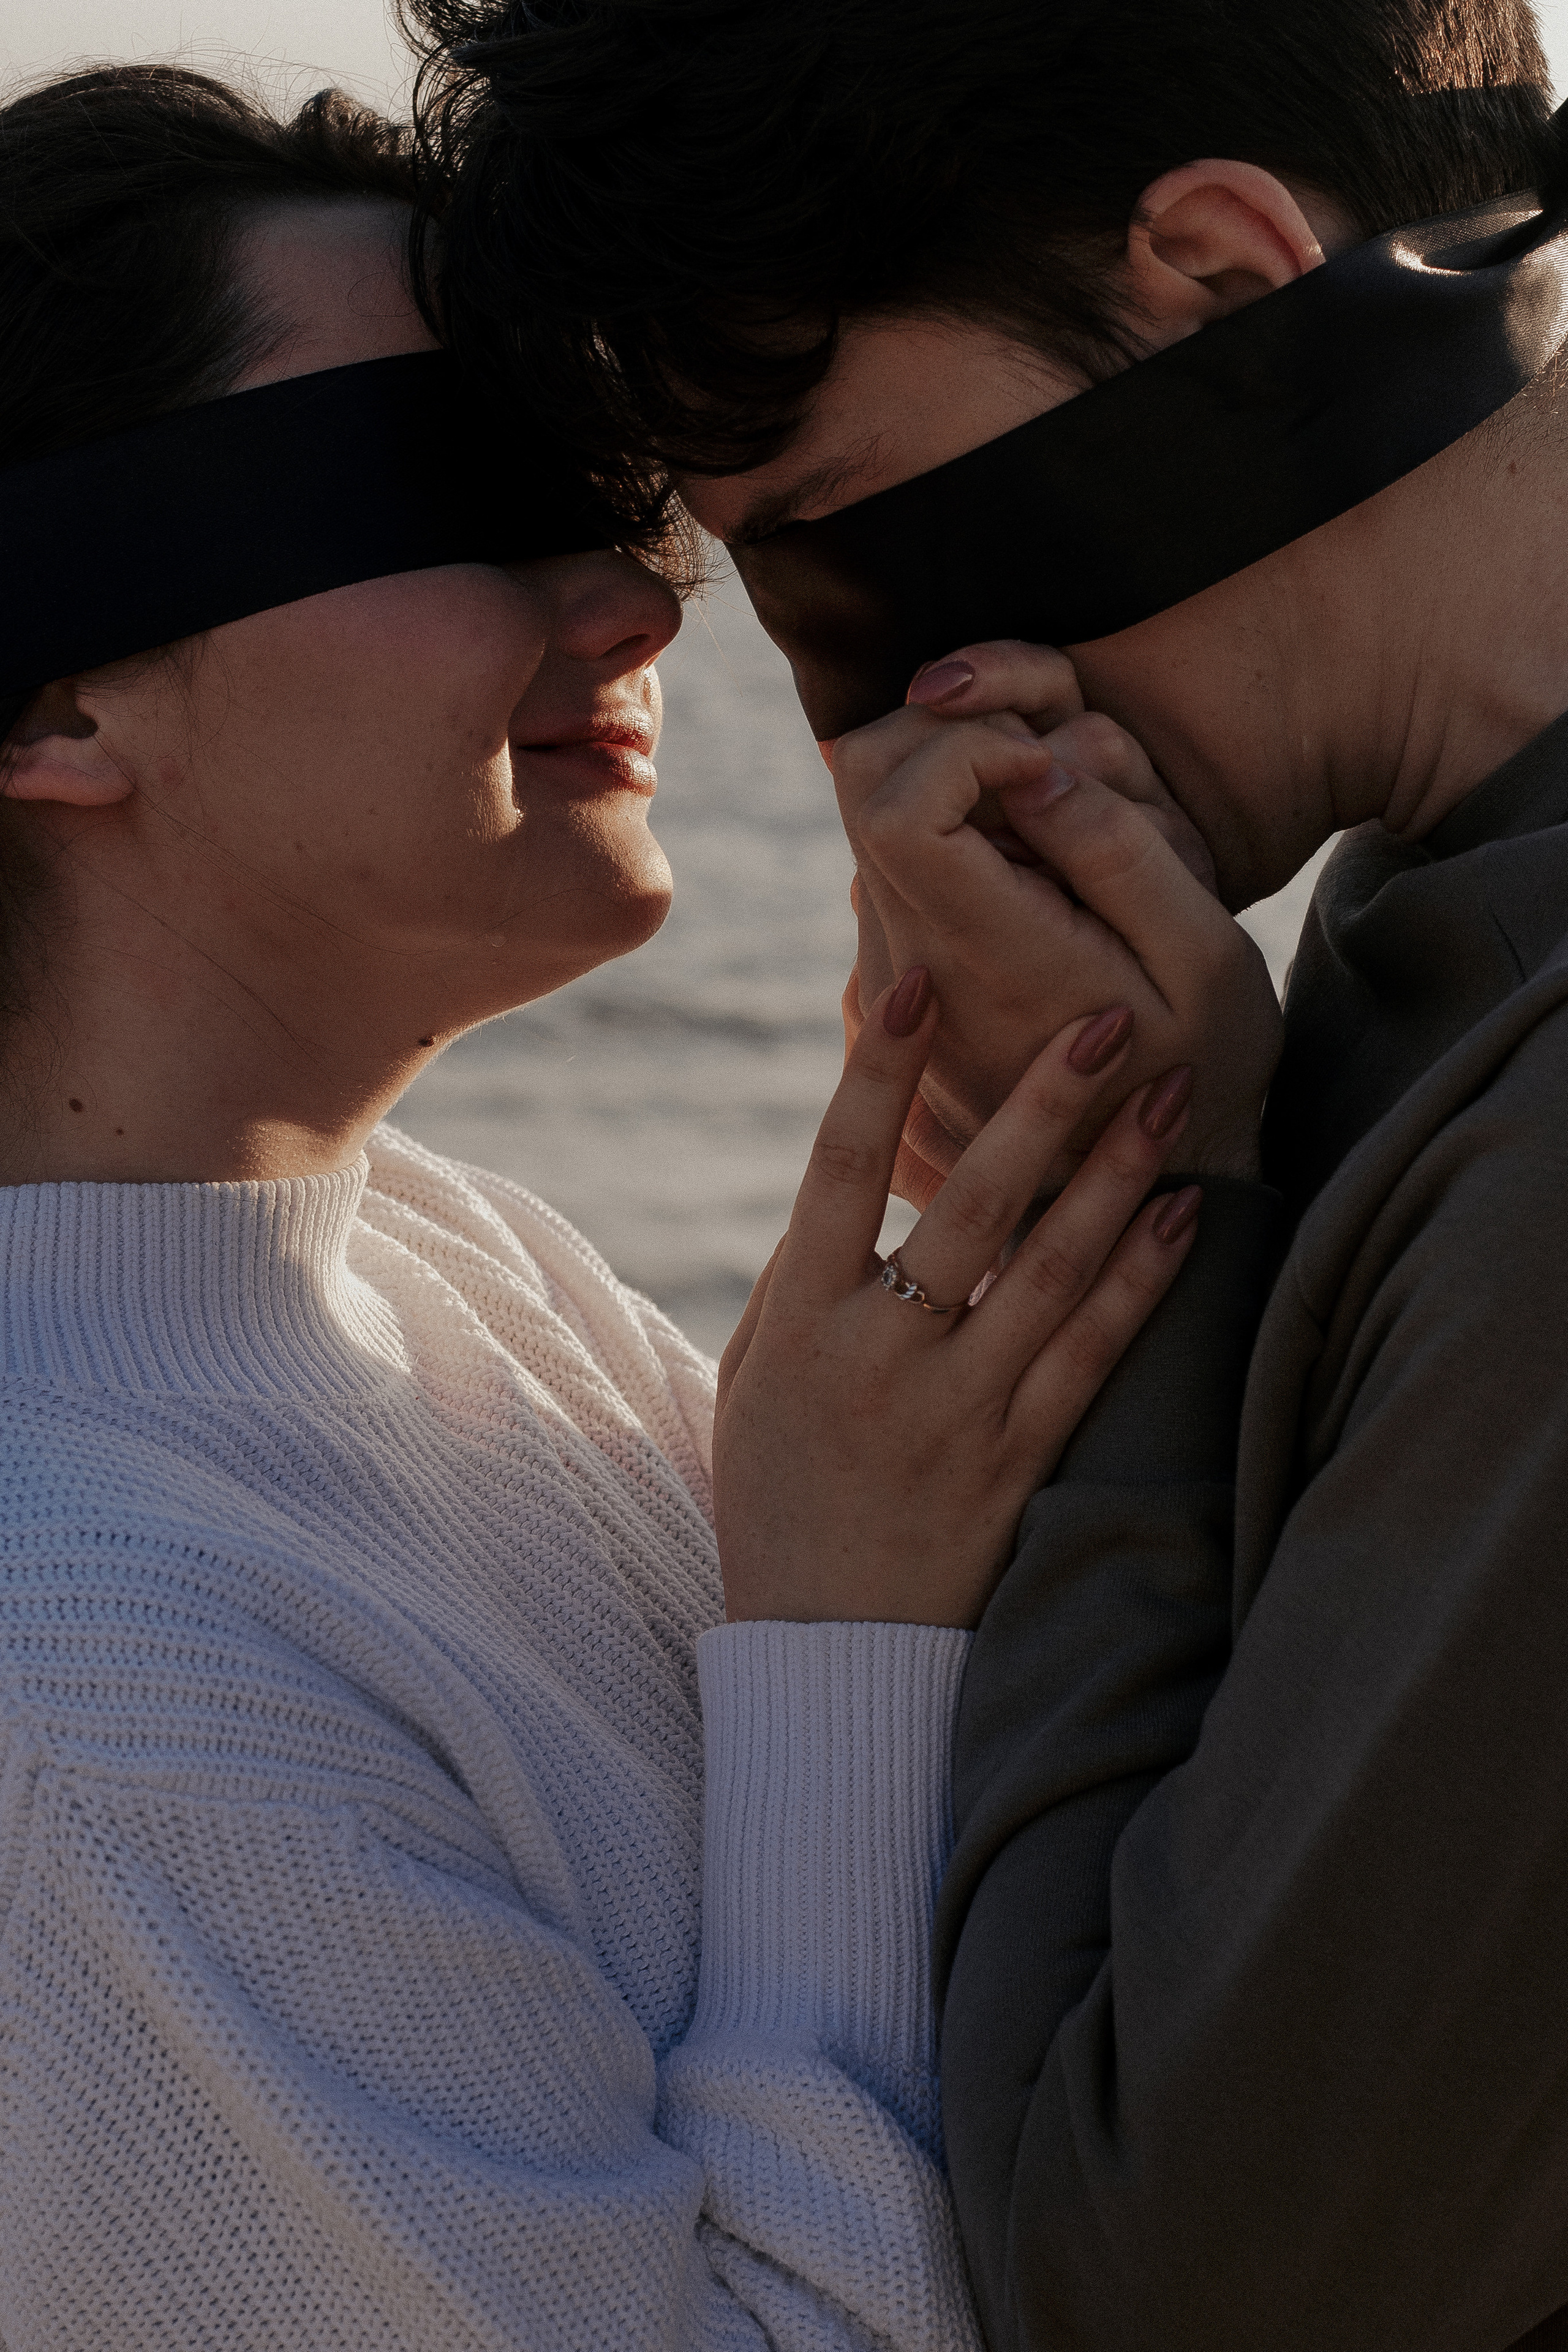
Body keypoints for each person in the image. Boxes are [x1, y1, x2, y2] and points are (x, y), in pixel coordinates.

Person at [0, 62, 1234, 2352]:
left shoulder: (465, 1279)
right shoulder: (95, 1682)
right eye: (466, 491)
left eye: (624, 502)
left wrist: (1104, 1176)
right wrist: (838, 1633)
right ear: (57, 693)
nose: (638, 607)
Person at [405, 1, 1568, 2345]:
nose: (867, 728)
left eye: (850, 551)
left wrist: (1141, 1243)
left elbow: (1192, 2290)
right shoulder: (1412, 937)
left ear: (1232, 280)